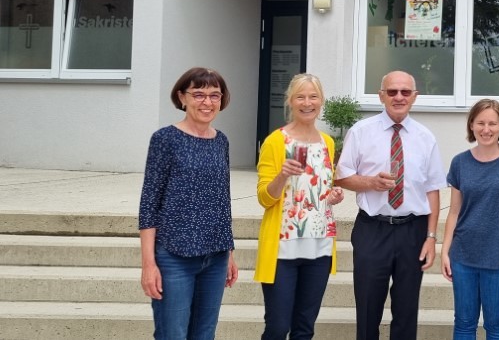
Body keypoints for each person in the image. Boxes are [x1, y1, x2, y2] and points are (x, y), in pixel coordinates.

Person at [334, 70, 445, 340]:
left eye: (405, 92)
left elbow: (432, 189)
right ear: (381, 95)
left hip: (413, 230)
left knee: (407, 311)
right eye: (392, 91)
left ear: (414, 96)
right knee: (368, 307)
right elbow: (341, 177)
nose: (399, 97)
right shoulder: (361, 132)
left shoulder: (425, 137)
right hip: (373, 228)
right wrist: (370, 182)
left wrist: (431, 237)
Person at [138, 66, 239, 340]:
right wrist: (149, 264)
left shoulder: (221, 141)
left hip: (215, 257)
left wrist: (229, 251)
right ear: (182, 97)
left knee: (204, 335)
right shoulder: (165, 139)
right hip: (174, 257)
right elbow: (149, 204)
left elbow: (222, 200)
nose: (207, 102)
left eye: (214, 95)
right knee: (173, 334)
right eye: (199, 94)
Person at [255, 73, 346, 340]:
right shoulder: (275, 142)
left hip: (319, 248)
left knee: (305, 329)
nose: (307, 103)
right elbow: (264, 198)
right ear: (290, 101)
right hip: (282, 250)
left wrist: (333, 195)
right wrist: (282, 175)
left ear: (321, 101)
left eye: (313, 97)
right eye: (300, 97)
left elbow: (318, 190)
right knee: (277, 327)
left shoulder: (327, 142)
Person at [441, 99, 499, 340]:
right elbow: (454, 211)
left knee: (496, 325)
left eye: (492, 123)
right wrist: (445, 251)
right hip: (463, 255)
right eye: (480, 123)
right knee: (464, 324)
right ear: (471, 125)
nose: (486, 129)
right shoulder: (460, 162)